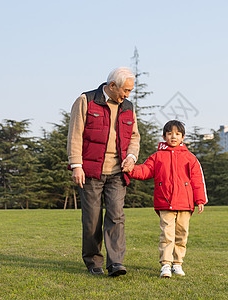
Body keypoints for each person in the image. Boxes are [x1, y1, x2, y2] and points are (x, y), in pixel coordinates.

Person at [67, 67, 140, 276]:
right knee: (92, 219)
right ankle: (93, 262)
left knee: (116, 216)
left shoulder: (128, 107)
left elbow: (135, 137)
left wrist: (132, 157)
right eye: (125, 90)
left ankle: (116, 263)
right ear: (112, 86)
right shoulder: (86, 101)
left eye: (130, 91)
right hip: (90, 172)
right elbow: (75, 134)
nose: (127, 95)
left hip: (117, 172)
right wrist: (76, 165)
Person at [126, 120, 207, 278]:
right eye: (169, 133)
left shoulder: (190, 158)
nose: (173, 136)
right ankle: (165, 265)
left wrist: (200, 200)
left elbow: (197, 180)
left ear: (182, 137)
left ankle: (177, 264)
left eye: (177, 134)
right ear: (164, 136)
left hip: (185, 204)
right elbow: (145, 170)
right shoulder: (157, 157)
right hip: (165, 202)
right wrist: (131, 170)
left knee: (181, 235)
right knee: (166, 234)